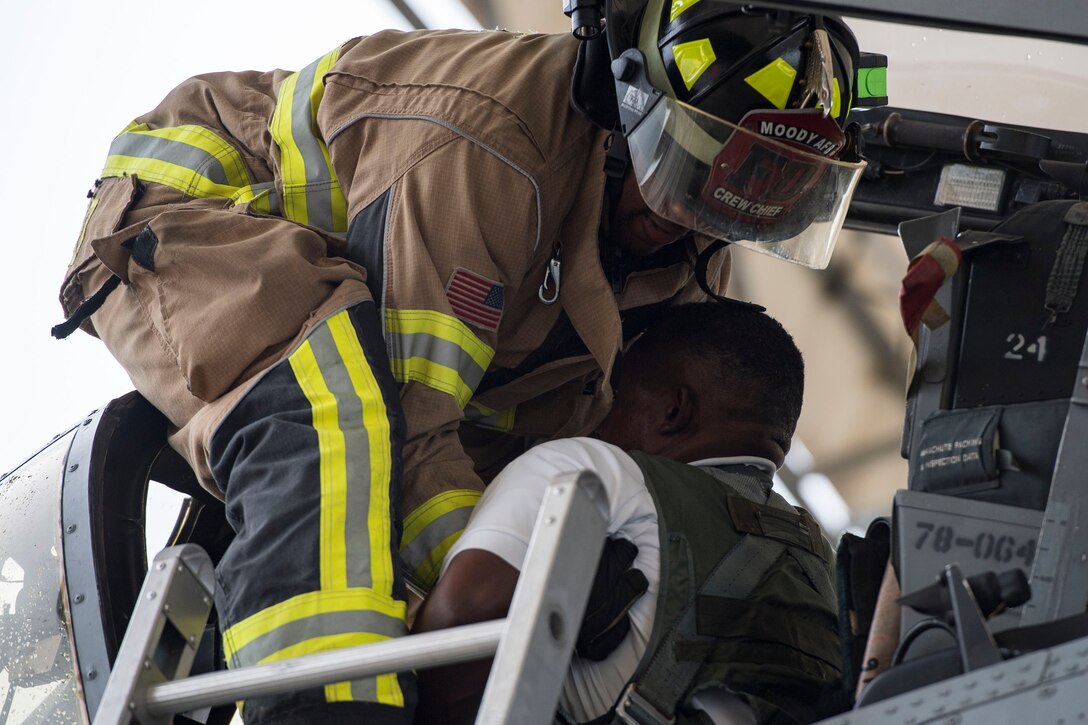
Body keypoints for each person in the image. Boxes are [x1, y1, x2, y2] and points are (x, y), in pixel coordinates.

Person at [54, 2, 864, 723]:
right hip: (194, 223)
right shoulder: (492, 139)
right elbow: (413, 426)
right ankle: (319, 708)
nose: (695, 218)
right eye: (687, 173)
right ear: (631, 103)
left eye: (730, 198)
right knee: (332, 405)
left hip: (388, 329)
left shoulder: (689, 246)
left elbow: (588, 465)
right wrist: (538, 568)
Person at [413, 301, 840, 725]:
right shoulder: (823, 569)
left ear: (673, 410)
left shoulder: (594, 473)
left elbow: (460, 620)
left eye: (616, 397)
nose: (598, 420)